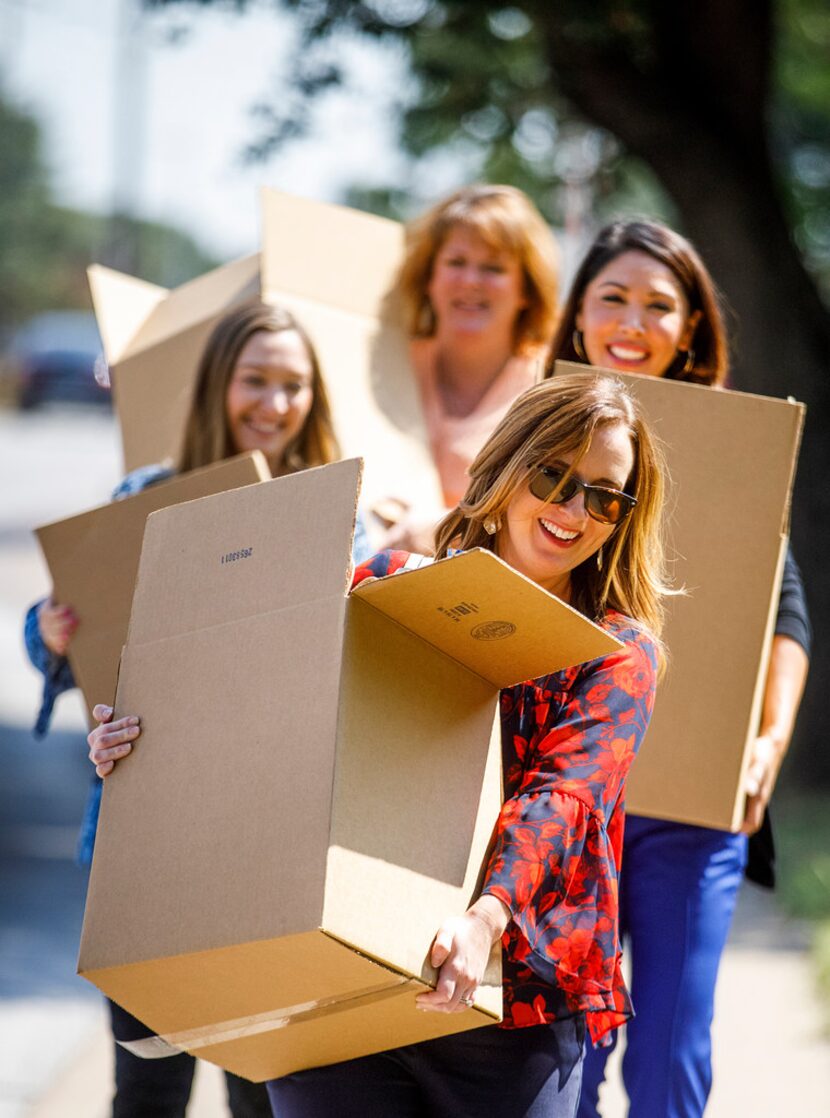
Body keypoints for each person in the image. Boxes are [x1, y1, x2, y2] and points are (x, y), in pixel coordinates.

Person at [90, 373, 672, 1117]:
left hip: (505, 1003)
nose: (570, 509)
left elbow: (564, 795)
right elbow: (264, 705)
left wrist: (482, 920)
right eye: (552, 474)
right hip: (339, 976)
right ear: (505, 467)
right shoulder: (389, 587)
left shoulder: (617, 652)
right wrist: (145, 739)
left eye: (603, 495)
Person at [25, 299, 369, 1118]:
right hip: (147, 838)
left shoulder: (338, 508)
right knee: (147, 1087)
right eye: (257, 381)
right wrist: (49, 632)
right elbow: (81, 645)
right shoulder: (147, 494)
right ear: (220, 384)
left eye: (295, 386)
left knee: (262, 1089)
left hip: (271, 841)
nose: (275, 404)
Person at [545, 219, 812, 1118]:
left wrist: (768, 740)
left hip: (694, 807)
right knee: (566, 1055)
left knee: (669, 1059)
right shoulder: (535, 431)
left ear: (691, 326)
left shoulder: (738, 451)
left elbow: (784, 610)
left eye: (659, 305)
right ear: (577, 316)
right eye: (612, 297)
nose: (633, 320)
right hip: (570, 797)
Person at [381, 183, 559, 547]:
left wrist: (433, 530)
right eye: (456, 263)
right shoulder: (387, 366)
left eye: (492, 268)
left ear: (526, 288)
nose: (470, 281)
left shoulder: (551, 389)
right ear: (429, 276)